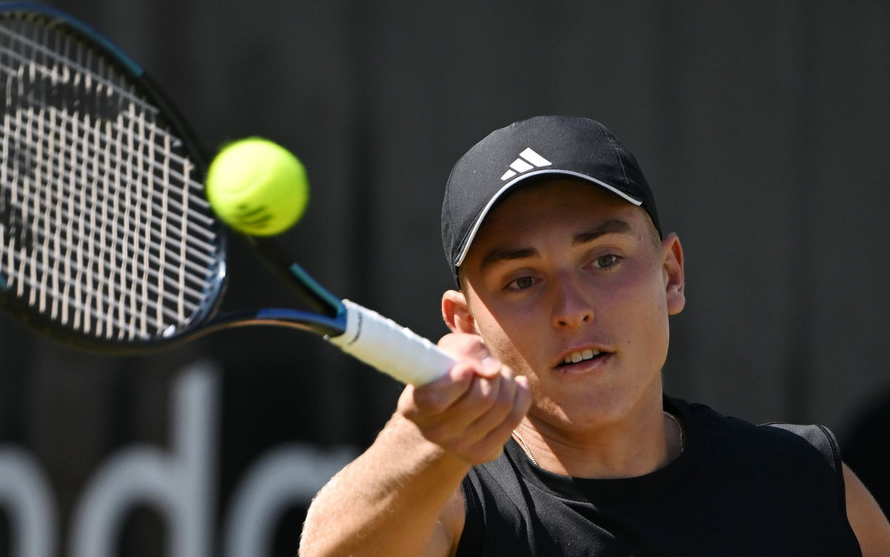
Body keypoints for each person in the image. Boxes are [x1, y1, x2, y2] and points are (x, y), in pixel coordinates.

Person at [299, 116, 890, 556]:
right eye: (522, 279)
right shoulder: (452, 506)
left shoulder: (807, 482)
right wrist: (421, 442)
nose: (571, 309)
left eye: (604, 260)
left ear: (670, 275)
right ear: (465, 324)